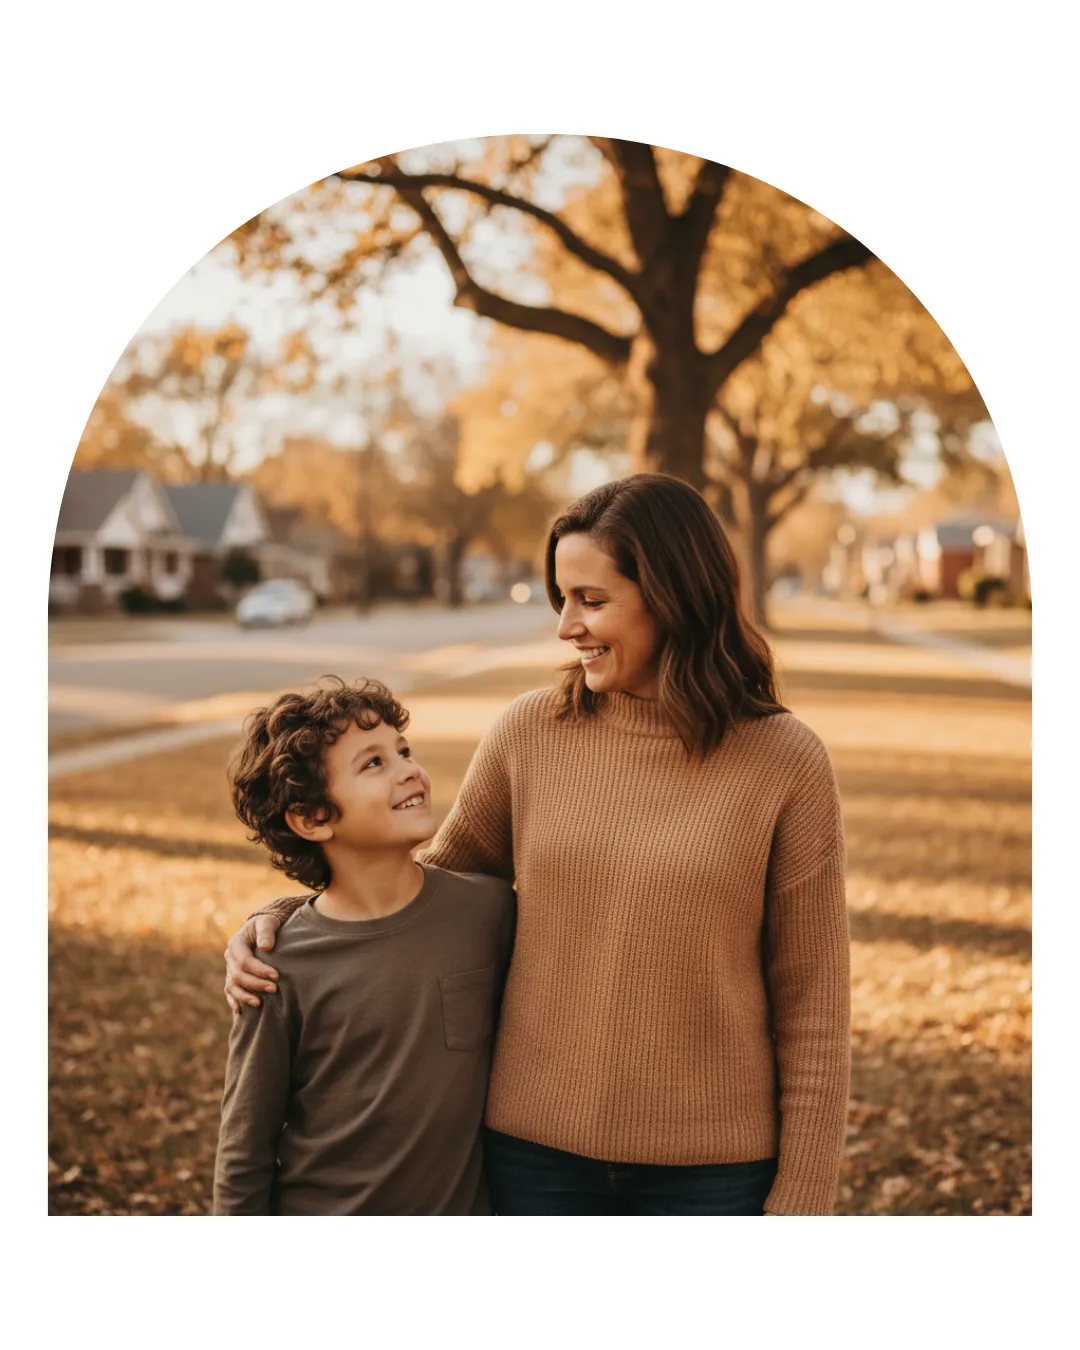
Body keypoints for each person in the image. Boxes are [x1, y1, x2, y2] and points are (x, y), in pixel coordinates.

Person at [225, 474, 851, 1216]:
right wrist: (288, 917)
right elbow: (416, 889)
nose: (566, 627)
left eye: (592, 600)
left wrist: (804, 1198)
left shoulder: (785, 760)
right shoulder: (530, 733)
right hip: (533, 1161)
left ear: (675, 596)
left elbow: (814, 1003)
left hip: (715, 1172)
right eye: (562, 599)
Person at [213, 676, 514, 1215]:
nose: (408, 770)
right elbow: (244, 1150)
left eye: (403, 750)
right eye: (373, 764)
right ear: (313, 818)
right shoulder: (277, 966)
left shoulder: (489, 911)